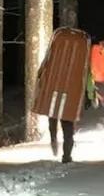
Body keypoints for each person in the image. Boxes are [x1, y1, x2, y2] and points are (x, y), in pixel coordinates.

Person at [30, 28, 92, 164]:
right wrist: (89, 94)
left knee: (53, 118)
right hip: (70, 94)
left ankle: (53, 139)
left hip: (54, 89)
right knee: (68, 127)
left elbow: (44, 67)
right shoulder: (82, 48)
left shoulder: (58, 41)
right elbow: (85, 75)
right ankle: (67, 156)